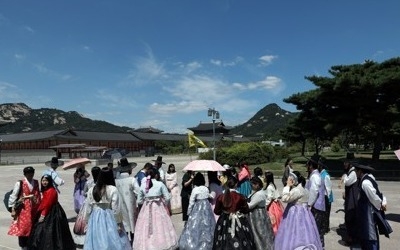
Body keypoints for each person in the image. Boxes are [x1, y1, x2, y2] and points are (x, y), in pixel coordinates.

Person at [84, 167, 131, 250]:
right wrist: (118, 223)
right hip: (109, 215)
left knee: (96, 239)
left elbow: (88, 208)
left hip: (95, 217)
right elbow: (116, 209)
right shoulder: (113, 189)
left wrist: (87, 221)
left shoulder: (92, 190)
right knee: (112, 238)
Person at [274, 171, 322, 250]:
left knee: (293, 233)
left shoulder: (297, 190)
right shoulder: (304, 189)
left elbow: (284, 198)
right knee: (303, 233)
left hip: (295, 216)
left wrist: (287, 186)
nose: (288, 180)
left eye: (289, 179)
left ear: (293, 180)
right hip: (304, 215)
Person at [133, 168, 178, 250]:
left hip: (146, 208)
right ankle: (162, 244)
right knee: (160, 225)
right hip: (158, 207)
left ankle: (147, 245)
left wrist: (146, 200)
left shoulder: (144, 185)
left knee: (145, 227)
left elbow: (139, 201)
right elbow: (167, 197)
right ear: (156, 175)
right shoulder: (160, 184)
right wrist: (164, 204)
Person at [28, 175, 75, 250]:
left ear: (49, 181)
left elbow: (48, 204)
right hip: (47, 210)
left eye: (46, 181)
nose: (44, 182)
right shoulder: (46, 190)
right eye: (43, 180)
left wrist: (43, 215)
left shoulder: (51, 191)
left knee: (48, 230)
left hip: (52, 213)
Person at [212, 176, 255, 250]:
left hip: (224, 221)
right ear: (236, 184)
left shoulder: (221, 196)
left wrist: (225, 212)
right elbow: (246, 209)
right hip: (239, 220)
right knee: (241, 238)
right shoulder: (240, 196)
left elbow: (216, 211)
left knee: (223, 239)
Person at [354, 162, 387, 250]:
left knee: (369, 235)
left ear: (360, 172)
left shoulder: (365, 183)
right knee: (367, 235)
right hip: (366, 212)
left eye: (356, 171)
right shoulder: (369, 179)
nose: (356, 173)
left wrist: (380, 205)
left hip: (368, 214)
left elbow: (374, 198)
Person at [179, 172, 216, 250]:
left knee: (196, 225)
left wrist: (188, 213)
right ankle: (207, 242)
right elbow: (209, 196)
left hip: (197, 208)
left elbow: (191, 202)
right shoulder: (206, 188)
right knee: (207, 225)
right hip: (206, 208)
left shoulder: (195, 189)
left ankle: (196, 242)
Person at [8, 166, 41, 250]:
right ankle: (23, 246)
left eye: (31, 173)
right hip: (23, 208)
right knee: (23, 227)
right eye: (28, 173)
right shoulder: (20, 183)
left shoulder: (36, 182)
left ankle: (31, 244)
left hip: (34, 208)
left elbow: (38, 195)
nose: (30, 175)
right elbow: (13, 196)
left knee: (33, 226)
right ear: (25, 174)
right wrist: (12, 208)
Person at [73, 166, 101, 247]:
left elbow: (87, 176)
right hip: (89, 201)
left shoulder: (91, 181)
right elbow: (84, 193)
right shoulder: (88, 182)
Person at [115, 158, 140, 244]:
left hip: (120, 205)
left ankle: (125, 242)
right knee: (132, 221)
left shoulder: (116, 181)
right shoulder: (132, 179)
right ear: (129, 169)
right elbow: (138, 192)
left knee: (124, 223)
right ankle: (133, 240)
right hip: (131, 204)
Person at [247, 177, 274, 250]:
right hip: (257, 214)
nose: (251, 186)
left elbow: (250, 205)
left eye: (253, 184)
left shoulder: (259, 194)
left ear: (257, 184)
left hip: (258, 215)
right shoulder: (257, 192)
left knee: (260, 233)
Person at [305, 156, 326, 248]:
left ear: (310, 166)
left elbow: (314, 191)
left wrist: (309, 205)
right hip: (318, 206)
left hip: (316, 207)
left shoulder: (315, 176)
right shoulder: (316, 175)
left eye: (307, 165)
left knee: (315, 229)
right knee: (317, 229)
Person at [340, 159, 359, 245]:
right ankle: (350, 237)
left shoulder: (353, 173)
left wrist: (344, 177)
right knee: (349, 217)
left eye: (346, 163)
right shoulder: (350, 172)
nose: (344, 164)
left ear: (350, 164)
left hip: (352, 198)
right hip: (349, 197)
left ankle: (351, 239)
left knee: (350, 217)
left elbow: (347, 182)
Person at [264, 171, 284, 235]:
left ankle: (273, 232)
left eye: (265, 177)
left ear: (267, 178)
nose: (264, 178)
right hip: (276, 204)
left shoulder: (269, 187)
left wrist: (266, 206)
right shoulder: (273, 185)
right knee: (277, 218)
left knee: (272, 219)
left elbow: (269, 198)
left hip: (272, 205)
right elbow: (277, 195)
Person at [318, 157, 333, 234]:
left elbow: (328, 188)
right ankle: (324, 227)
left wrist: (327, 199)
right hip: (322, 197)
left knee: (326, 213)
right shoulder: (321, 174)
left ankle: (326, 228)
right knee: (323, 213)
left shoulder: (325, 175)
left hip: (326, 197)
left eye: (319, 165)